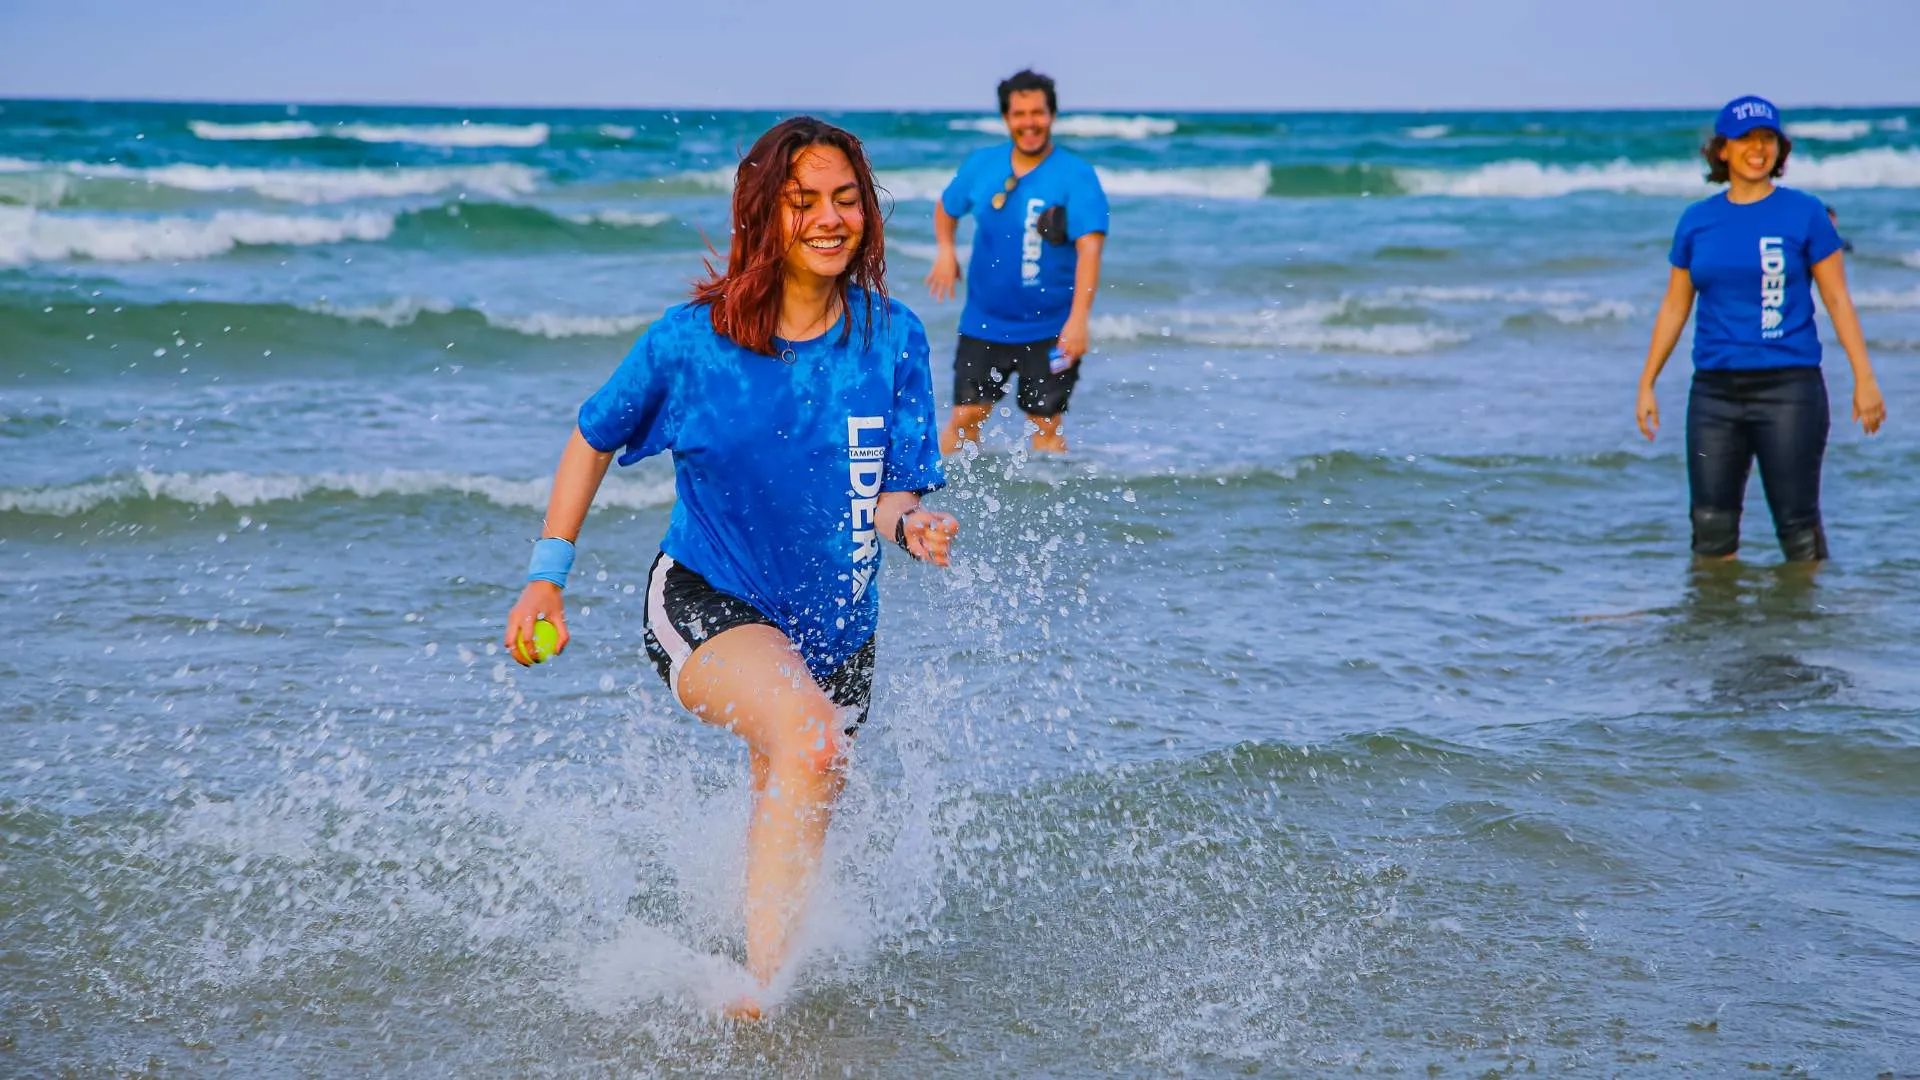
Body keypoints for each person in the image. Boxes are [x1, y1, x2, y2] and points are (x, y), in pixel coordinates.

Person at [501, 117, 959, 1015]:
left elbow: (891, 488)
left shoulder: (893, 338)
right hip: (707, 597)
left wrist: (913, 527)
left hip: (840, 630)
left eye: (845, 199)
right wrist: (546, 572)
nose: (830, 220)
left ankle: (759, 981)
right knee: (811, 738)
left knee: (801, 772)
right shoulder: (692, 343)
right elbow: (592, 437)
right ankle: (763, 1001)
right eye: (803, 203)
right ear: (764, 216)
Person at [1635, 95, 1886, 562]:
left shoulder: (1804, 213)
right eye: (1745, 138)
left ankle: (1805, 627)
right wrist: (1647, 381)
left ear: (1780, 148)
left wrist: (1864, 378)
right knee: (1709, 530)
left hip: (1789, 390)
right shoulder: (1696, 221)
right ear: (1722, 150)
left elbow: (1836, 299)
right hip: (1713, 395)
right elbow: (1674, 306)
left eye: (1767, 137)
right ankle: (1717, 629)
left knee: (1797, 526)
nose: (1758, 148)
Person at [926, 69, 1110, 454]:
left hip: (1053, 331)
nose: (1029, 123)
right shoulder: (982, 165)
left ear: (1052, 115)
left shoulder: (1077, 176)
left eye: (1037, 113)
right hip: (983, 324)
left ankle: (1053, 506)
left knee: (1046, 424)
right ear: (1007, 118)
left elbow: (1090, 250)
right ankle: (944, 503)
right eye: (1019, 114)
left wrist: (1078, 321)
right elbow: (947, 207)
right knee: (964, 420)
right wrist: (945, 250)